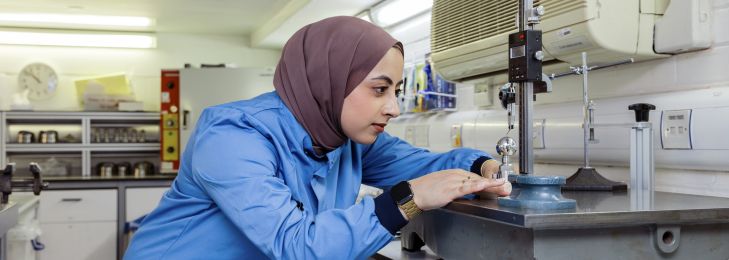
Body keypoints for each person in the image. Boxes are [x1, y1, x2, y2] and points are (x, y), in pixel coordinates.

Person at [124, 16, 510, 259]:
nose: (393, 108)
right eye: (380, 90)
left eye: (396, 90)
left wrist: (482, 167)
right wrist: (408, 200)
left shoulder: (347, 139)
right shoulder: (233, 135)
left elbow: (423, 163)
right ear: (329, 81)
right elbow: (294, 245)